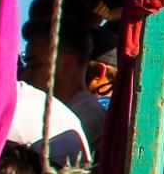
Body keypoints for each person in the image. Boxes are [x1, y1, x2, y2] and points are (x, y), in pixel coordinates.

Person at [21, 18, 107, 147]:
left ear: (66, 65)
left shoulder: (84, 120)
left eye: (34, 65)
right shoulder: (67, 112)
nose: (24, 74)